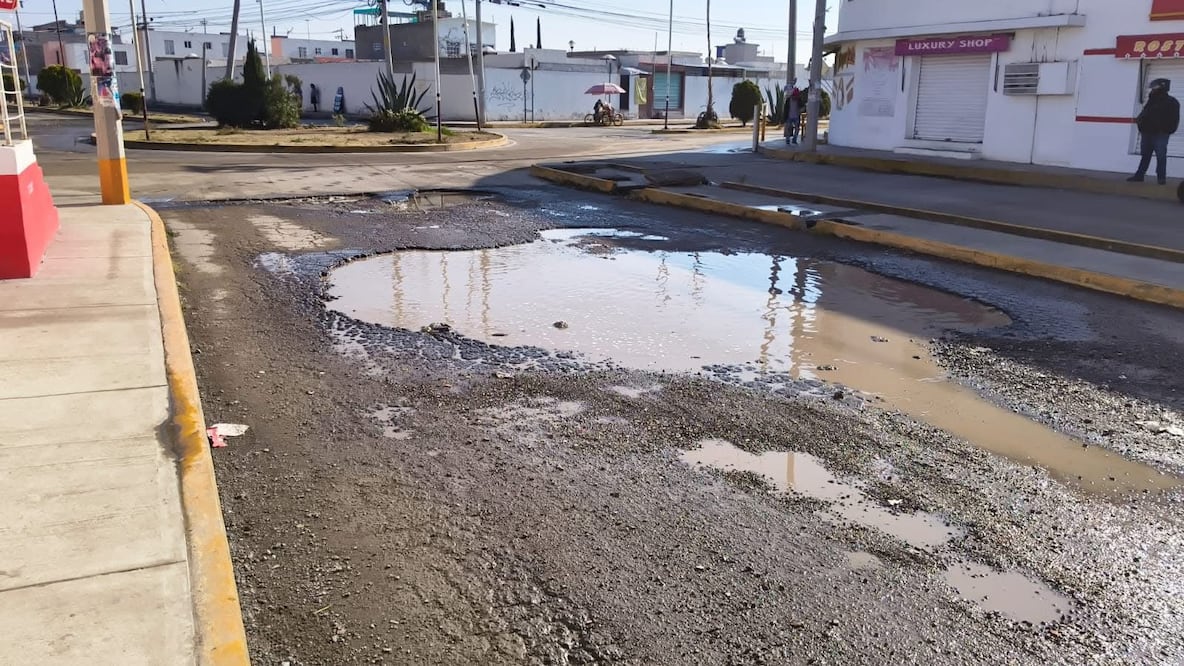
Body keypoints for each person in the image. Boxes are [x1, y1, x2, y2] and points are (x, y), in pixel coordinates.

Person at [1129, 78, 1180, 185]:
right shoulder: (1151, 100)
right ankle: (1140, 175)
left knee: (1161, 155)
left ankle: (1161, 178)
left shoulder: (1172, 102)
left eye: (1155, 87)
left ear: (1162, 87)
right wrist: (1141, 126)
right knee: (1145, 155)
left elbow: (1174, 119)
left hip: (1161, 134)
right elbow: (1144, 114)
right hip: (1147, 132)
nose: (1152, 89)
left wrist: (1166, 130)